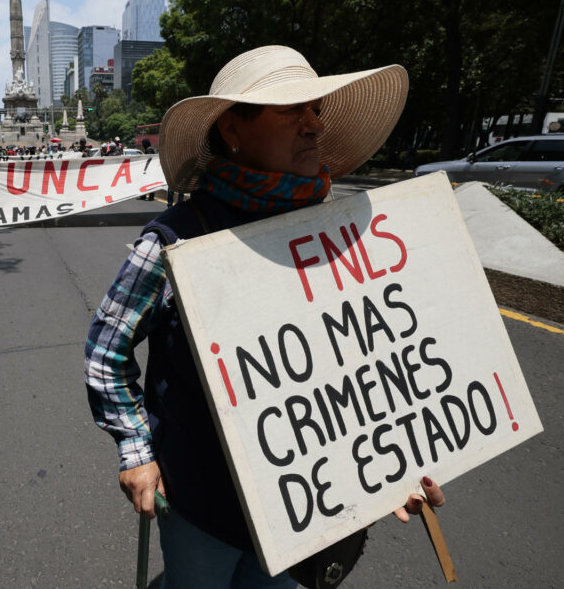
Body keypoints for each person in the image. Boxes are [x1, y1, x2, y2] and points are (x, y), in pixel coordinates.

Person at [84, 46, 444, 588]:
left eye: (315, 109)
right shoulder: (175, 241)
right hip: (202, 503)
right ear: (233, 129)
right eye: (291, 109)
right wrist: (137, 453)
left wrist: (400, 464)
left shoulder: (344, 238)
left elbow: (369, 363)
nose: (313, 124)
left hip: (310, 508)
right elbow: (106, 352)